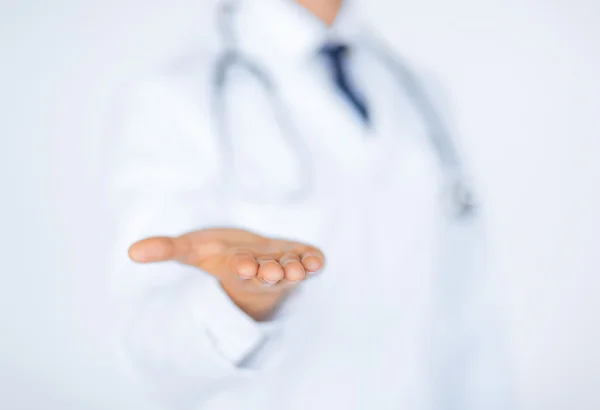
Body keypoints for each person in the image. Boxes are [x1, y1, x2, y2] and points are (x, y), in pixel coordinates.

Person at [110, 0, 514, 408]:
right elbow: (147, 351)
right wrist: (238, 306)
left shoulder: (420, 92)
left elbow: (470, 312)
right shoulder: (178, 96)